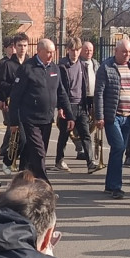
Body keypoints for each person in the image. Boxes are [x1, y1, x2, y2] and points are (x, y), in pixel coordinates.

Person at [9, 38, 76, 184]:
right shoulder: (27, 68)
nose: (51, 55)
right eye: (48, 52)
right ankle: (45, 185)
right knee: (39, 153)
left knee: (38, 154)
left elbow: (61, 93)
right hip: (30, 119)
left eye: (53, 52)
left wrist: (69, 115)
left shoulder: (55, 68)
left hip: (47, 119)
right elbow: (15, 96)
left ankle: (25, 182)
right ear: (39, 51)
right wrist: (13, 121)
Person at [93, 39, 130, 200]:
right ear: (116, 51)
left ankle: (109, 185)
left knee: (118, 150)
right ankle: (116, 187)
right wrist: (99, 116)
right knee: (118, 147)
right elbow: (99, 93)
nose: (127, 55)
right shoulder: (106, 68)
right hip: (113, 117)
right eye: (124, 51)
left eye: (129, 52)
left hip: (128, 117)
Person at [54, 37, 95, 173]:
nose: (75, 53)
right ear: (68, 50)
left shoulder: (82, 65)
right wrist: (60, 107)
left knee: (85, 134)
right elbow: (59, 89)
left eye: (77, 50)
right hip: (68, 105)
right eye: (72, 50)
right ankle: (59, 161)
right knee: (64, 135)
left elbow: (85, 87)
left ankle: (90, 162)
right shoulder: (62, 66)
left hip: (81, 105)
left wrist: (88, 105)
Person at [0, 34, 30, 175]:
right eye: (19, 45)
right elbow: (1, 83)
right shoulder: (8, 64)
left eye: (25, 45)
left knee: (28, 139)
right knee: (20, 137)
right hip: (14, 105)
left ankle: (24, 169)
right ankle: (8, 161)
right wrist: (13, 89)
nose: (22, 48)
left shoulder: (30, 63)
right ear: (14, 47)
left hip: (28, 105)